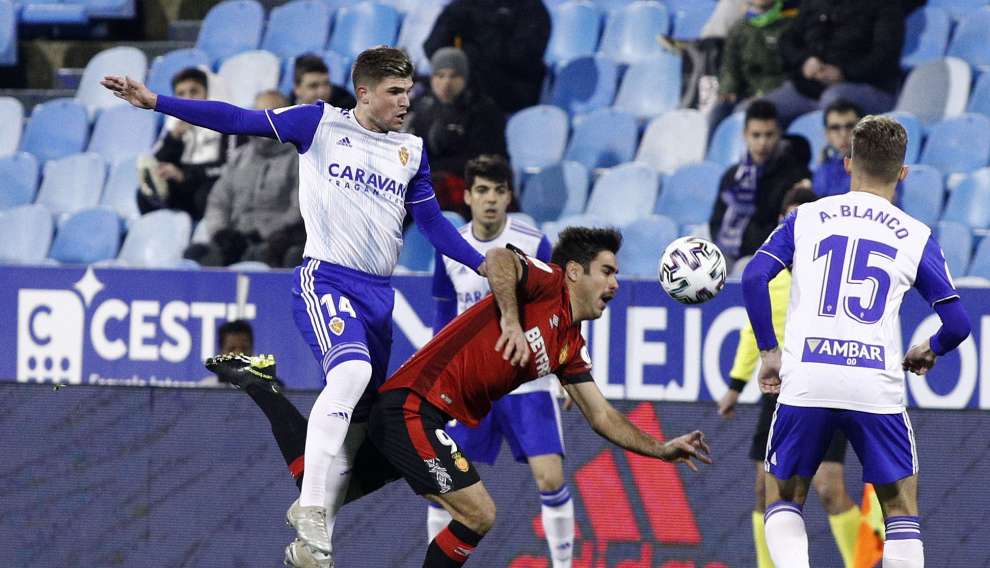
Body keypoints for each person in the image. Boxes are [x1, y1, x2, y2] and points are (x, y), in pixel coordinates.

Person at [102, 45, 488, 566]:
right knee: (348, 374)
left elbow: (436, 225)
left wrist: (484, 262)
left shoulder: (411, 151)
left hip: (378, 299)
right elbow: (238, 118)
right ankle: (312, 512)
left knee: (367, 434)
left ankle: (310, 539)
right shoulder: (319, 123)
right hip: (325, 278)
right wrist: (156, 103)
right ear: (365, 93)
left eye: (407, 91)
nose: (405, 101)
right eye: (395, 92)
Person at [370, 227, 711, 568]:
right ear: (574, 272)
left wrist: (662, 450)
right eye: (607, 272)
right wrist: (511, 321)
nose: (615, 285)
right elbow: (499, 257)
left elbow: (602, 416)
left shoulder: (571, 346)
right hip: (411, 406)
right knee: (479, 512)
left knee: (332, 498)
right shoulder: (549, 284)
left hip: (423, 414)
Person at [742, 115, 972, 568]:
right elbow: (958, 324)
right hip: (873, 384)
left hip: (807, 376)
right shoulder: (916, 236)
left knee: (783, 498)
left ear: (848, 164)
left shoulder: (805, 218)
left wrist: (770, 354)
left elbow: (753, 277)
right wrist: (931, 349)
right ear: (902, 173)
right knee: (900, 510)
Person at [427, 155, 572, 567]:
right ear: (468, 197)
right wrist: (438, 372)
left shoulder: (532, 241)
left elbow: (560, 308)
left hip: (526, 380)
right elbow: (444, 314)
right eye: (482, 191)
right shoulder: (450, 246)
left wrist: (565, 369)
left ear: (509, 196)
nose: (491, 199)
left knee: (551, 477)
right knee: (444, 482)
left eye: (499, 190)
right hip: (471, 383)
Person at [719, 187, 864, 568]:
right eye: (790, 219)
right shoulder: (772, 274)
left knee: (829, 488)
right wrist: (735, 385)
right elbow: (754, 332)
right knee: (764, 491)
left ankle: (863, 561)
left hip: (825, 388)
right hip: (779, 394)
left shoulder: (834, 275)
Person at [184, 90, 302, 267]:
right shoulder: (239, 157)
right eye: (259, 113)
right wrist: (221, 233)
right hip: (236, 239)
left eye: (272, 113)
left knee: (259, 254)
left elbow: (298, 208)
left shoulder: (299, 158)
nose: (265, 120)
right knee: (196, 253)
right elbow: (218, 201)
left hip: (275, 240)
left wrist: (262, 233)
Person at [762, 0, 905, 127]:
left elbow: (886, 55)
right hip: (809, 89)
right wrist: (804, 61)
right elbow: (788, 40)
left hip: (865, 86)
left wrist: (843, 73)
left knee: (832, 102)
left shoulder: (885, 4)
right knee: (758, 111)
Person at [709, 100, 811, 265]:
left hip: (765, 257)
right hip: (727, 251)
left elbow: (783, 227)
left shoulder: (792, 174)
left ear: (777, 134)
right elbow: (716, 221)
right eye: (756, 135)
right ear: (745, 135)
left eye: (769, 135)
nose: (762, 143)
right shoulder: (731, 176)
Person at [407, 48, 507, 213]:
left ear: (465, 78)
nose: (446, 83)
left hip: (477, 183)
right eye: (440, 76)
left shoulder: (484, 110)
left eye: (454, 76)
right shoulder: (423, 108)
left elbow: (481, 161)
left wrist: (427, 168)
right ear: (432, 79)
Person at [139, 67, 235, 221]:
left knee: (205, 194)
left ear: (207, 93)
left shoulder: (228, 122)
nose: (188, 98)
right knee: (145, 194)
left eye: (194, 91)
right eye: (181, 94)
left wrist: (184, 175)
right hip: (186, 188)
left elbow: (228, 167)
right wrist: (175, 138)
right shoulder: (175, 124)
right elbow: (158, 162)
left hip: (212, 185)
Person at [423, 0, 552, 114]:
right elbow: (432, 48)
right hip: (465, 80)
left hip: (510, 87)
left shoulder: (530, 8)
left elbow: (523, 58)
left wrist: (475, 50)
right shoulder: (463, 6)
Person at [712, 0, 796, 129]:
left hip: (776, 92)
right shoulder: (740, 27)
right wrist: (728, 89)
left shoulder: (790, 24)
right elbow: (730, 65)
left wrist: (764, 93)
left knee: (744, 111)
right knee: (719, 110)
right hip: (747, 92)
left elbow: (793, 70)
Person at [291, 54, 356, 109]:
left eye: (326, 84)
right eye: (313, 86)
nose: (322, 92)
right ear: (297, 89)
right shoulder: (288, 106)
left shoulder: (346, 105)